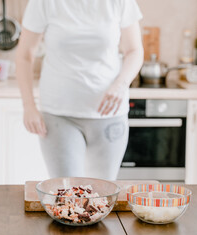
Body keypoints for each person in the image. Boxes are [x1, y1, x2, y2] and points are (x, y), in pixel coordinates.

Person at [16, 0, 143, 180]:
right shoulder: (43, 2)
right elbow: (24, 56)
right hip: (59, 114)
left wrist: (120, 85)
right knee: (66, 192)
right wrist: (28, 106)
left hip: (109, 114)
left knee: (102, 194)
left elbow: (135, 50)